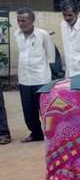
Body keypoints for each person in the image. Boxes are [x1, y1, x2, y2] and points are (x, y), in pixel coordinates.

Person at [15, 7, 55, 143]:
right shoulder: (17, 35)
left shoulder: (43, 35)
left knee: (46, 110)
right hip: (24, 79)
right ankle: (36, 133)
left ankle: (52, 134)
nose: (21, 23)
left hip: (41, 78)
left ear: (32, 21)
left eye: (24, 20)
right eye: (19, 20)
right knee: (28, 111)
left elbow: (51, 56)